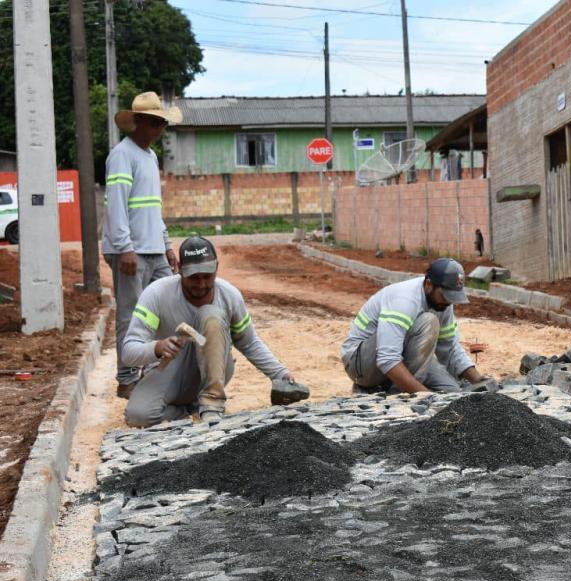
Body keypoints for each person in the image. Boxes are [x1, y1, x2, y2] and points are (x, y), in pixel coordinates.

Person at [121, 236, 309, 427]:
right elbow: (128, 352)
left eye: (207, 276)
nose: (201, 284)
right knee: (138, 416)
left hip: (214, 368)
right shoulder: (157, 294)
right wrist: (157, 348)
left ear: (217, 267)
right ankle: (192, 409)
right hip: (170, 370)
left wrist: (279, 373)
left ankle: (211, 405)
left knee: (211, 315)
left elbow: (249, 342)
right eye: (194, 277)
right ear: (179, 268)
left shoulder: (229, 296)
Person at [103, 92, 182, 399]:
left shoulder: (150, 157)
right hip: (130, 250)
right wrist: (124, 247)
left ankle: (153, 368)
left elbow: (152, 208)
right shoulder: (122, 155)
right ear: (137, 123)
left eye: (162, 123)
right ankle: (126, 378)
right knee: (130, 315)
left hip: (153, 248)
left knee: (167, 307)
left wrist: (167, 244)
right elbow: (116, 207)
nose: (159, 129)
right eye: (154, 123)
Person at [341, 258, 486, 393]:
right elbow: (387, 358)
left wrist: (477, 379)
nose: (449, 302)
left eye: (453, 297)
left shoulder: (443, 303)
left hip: (401, 356)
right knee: (428, 322)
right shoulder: (404, 299)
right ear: (429, 284)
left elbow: (450, 348)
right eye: (445, 295)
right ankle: (393, 395)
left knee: (451, 392)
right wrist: (425, 395)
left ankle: (399, 387)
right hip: (360, 364)